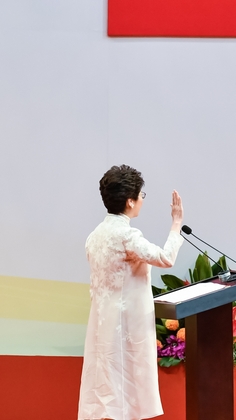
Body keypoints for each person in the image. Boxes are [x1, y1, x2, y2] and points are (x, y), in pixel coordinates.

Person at [78, 165, 185, 420]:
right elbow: (165, 257)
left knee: (105, 393)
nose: (141, 201)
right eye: (141, 196)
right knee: (125, 396)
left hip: (101, 326)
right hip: (126, 328)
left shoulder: (94, 236)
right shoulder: (127, 236)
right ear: (130, 201)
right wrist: (176, 223)